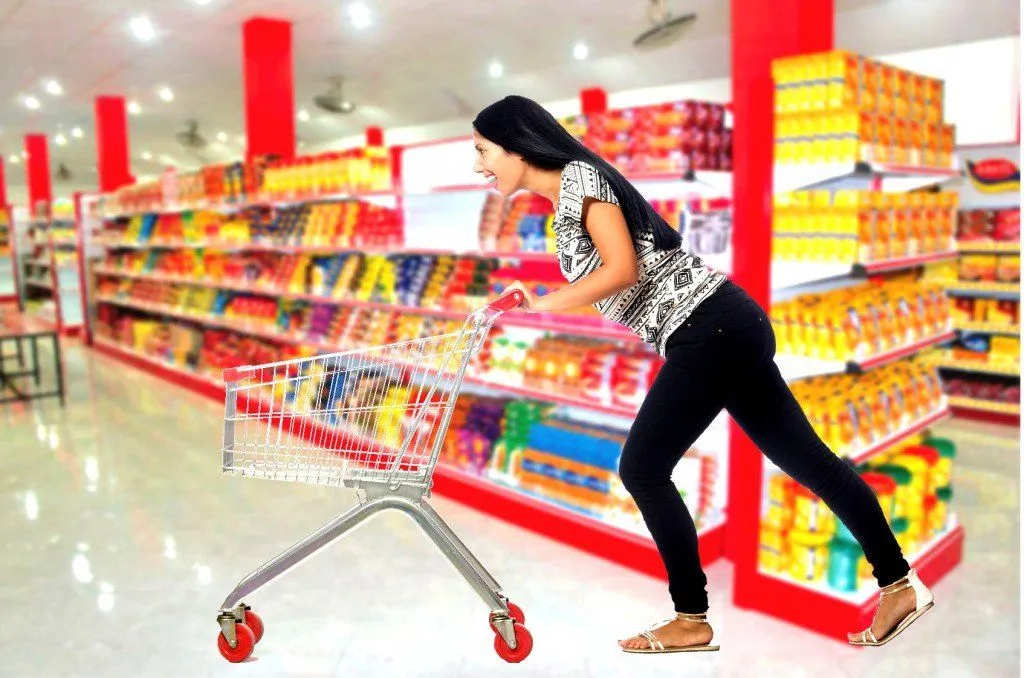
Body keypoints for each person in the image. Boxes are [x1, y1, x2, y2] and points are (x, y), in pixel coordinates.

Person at [472, 95, 935, 653]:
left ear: (518, 144)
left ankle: (691, 615)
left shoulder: (579, 178)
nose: (479, 165)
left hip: (707, 329)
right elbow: (617, 274)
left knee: (642, 469)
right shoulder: (569, 194)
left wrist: (543, 306)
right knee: (809, 461)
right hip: (722, 325)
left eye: (483, 150)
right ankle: (898, 582)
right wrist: (541, 299)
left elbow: (623, 269)